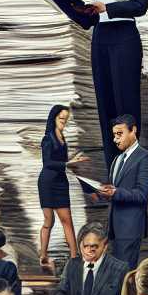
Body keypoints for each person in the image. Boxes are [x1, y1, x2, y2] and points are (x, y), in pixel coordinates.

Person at [84, 0, 148, 170]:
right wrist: (81, 12)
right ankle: (113, 169)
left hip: (124, 38)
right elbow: (97, 14)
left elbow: (139, 6)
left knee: (126, 102)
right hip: (101, 38)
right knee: (106, 103)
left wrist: (107, 8)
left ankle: (132, 168)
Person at [90, 115, 148, 269]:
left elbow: (141, 194)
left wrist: (115, 192)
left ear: (133, 131)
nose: (115, 139)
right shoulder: (117, 160)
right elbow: (114, 189)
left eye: (119, 134)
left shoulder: (146, 158)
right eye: (114, 135)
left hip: (130, 229)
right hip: (113, 229)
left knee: (124, 276)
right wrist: (99, 193)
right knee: (115, 276)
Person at [36, 104, 85, 271]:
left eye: (66, 119)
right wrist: (68, 162)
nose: (64, 122)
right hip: (48, 182)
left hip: (61, 181)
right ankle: (43, 255)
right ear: (54, 118)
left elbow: (62, 161)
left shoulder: (62, 137)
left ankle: (74, 257)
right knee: (49, 221)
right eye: (61, 118)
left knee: (67, 220)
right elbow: (48, 163)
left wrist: (73, 160)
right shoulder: (47, 139)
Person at [52, 222, 129, 295]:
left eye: (94, 247)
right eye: (85, 246)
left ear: (105, 246)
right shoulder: (72, 264)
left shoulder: (121, 269)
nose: (88, 251)